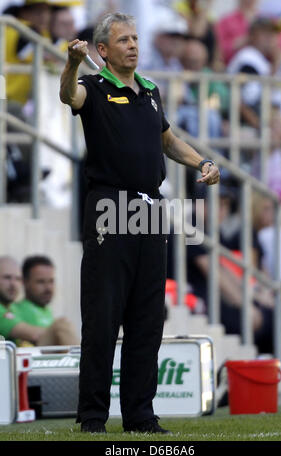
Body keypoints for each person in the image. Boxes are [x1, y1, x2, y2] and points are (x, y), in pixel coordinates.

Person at [59, 12, 220, 434]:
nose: (133, 44)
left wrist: (201, 160)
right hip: (109, 207)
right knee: (103, 316)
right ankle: (92, 417)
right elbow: (68, 98)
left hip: (151, 209)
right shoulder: (92, 86)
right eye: (123, 40)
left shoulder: (150, 89)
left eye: (135, 38)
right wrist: (73, 63)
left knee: (148, 318)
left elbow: (166, 140)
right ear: (103, 50)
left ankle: (140, 416)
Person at [0, 255, 79, 346]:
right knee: (62, 326)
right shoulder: (17, 308)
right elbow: (34, 335)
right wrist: (56, 331)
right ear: (26, 283)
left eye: (18, 279)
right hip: (29, 355)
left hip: (34, 354)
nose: (13, 284)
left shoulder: (11, 308)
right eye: (7, 277)